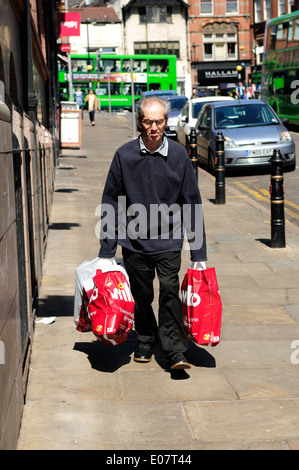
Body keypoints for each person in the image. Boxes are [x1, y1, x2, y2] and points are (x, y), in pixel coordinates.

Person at [98, 96, 207, 370]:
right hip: (134, 241)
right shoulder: (124, 155)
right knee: (141, 295)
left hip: (169, 240)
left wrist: (198, 252)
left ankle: (175, 351)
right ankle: (145, 340)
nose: (154, 127)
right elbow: (111, 201)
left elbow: (191, 202)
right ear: (139, 122)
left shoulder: (180, 156)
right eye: (148, 121)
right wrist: (106, 250)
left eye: (159, 121)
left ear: (166, 122)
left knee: (170, 292)